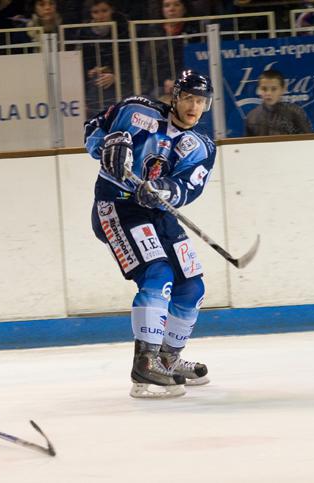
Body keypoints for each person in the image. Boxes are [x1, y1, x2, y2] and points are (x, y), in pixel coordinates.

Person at [84, 70, 215, 399]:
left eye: (201, 101)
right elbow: (94, 128)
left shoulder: (201, 147)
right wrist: (105, 146)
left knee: (192, 286)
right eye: (189, 98)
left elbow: (188, 187)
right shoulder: (135, 110)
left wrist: (164, 189)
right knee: (158, 273)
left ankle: (167, 359)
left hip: (158, 212)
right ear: (176, 97)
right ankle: (145, 364)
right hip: (117, 206)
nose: (194, 107)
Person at [244, 69, 314, 137]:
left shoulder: (295, 112)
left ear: (283, 90)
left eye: (274, 89)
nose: (268, 93)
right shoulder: (252, 117)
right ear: (258, 90)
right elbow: (249, 143)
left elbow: (310, 139)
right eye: (264, 89)